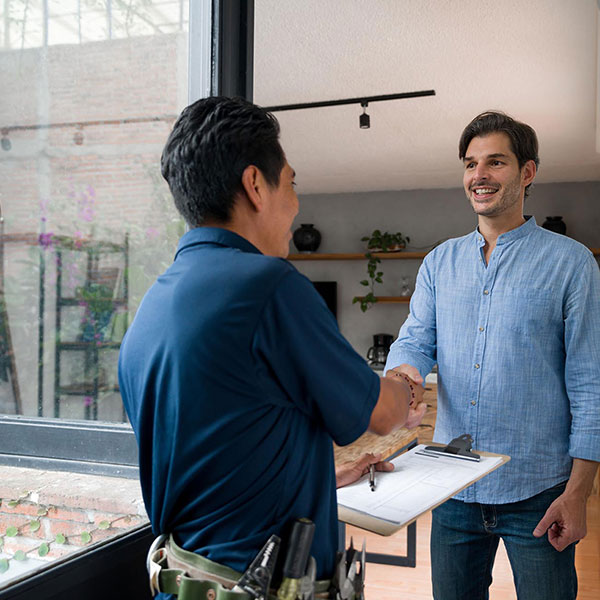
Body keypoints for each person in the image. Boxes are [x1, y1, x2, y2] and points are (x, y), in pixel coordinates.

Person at [118, 96, 426, 599]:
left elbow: (222, 452)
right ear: (255, 185)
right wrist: (404, 386)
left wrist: (323, 473)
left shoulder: (152, 308)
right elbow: (382, 414)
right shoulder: (269, 286)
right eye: (292, 182)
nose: (296, 202)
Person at [385, 111, 600, 600]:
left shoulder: (571, 264)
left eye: (495, 162)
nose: (478, 175)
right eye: (470, 163)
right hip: (454, 488)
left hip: (540, 491)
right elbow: (416, 340)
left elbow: (591, 382)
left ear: (527, 172)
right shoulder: (439, 262)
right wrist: (403, 380)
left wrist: (578, 493)